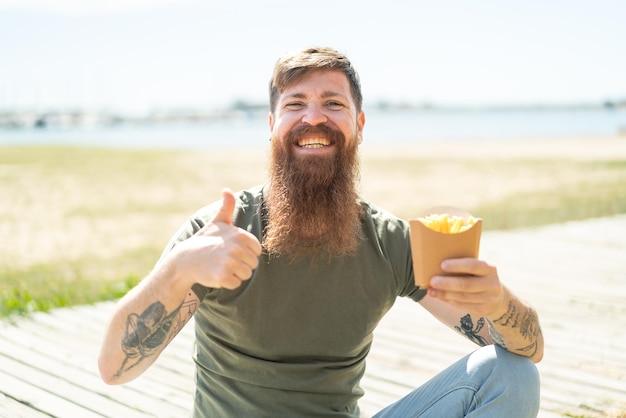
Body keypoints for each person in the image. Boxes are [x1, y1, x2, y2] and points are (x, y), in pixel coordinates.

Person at [98, 46, 543, 417]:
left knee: (510, 374)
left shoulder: (389, 241)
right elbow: (114, 369)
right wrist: (176, 271)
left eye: (333, 103)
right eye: (295, 104)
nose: (315, 118)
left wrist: (498, 301)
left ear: (359, 126)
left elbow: (529, 347)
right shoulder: (216, 235)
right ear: (272, 126)